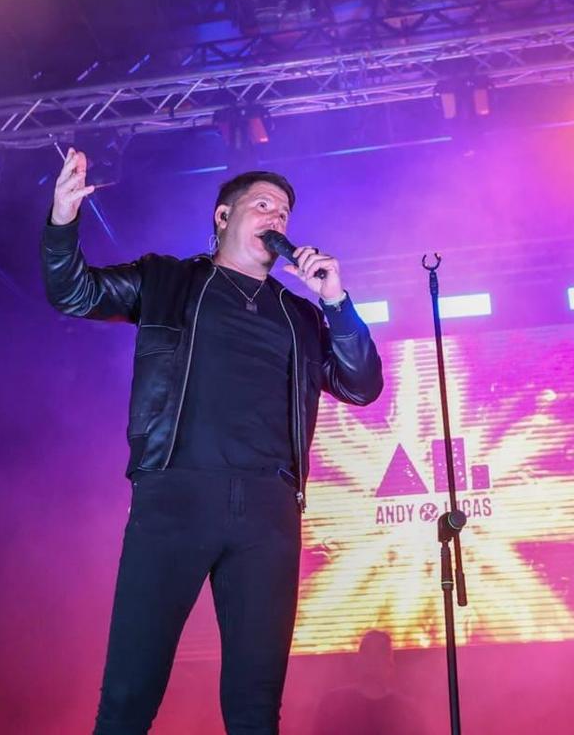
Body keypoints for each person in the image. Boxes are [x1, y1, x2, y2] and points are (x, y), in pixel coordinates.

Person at [40, 150, 384, 735]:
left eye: (285, 211)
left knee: (255, 708)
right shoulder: (168, 280)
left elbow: (361, 384)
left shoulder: (301, 313)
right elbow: (74, 293)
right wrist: (63, 219)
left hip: (269, 514)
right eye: (262, 205)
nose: (277, 217)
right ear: (224, 216)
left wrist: (336, 301)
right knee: (128, 696)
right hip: (176, 494)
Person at [311, 631, 429, 735]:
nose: (374, 660)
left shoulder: (408, 713)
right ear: (358, 662)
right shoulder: (332, 704)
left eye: (381, 653)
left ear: (390, 665)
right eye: (368, 653)